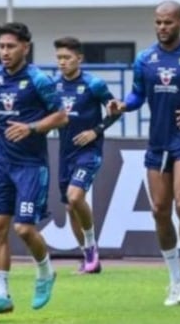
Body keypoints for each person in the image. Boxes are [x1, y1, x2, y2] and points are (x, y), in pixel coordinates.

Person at [107, 1, 180, 306]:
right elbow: (137, 95)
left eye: (168, 23)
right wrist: (123, 105)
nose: (162, 28)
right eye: (158, 23)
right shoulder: (145, 59)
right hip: (158, 142)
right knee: (160, 210)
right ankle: (174, 280)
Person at [0, 22, 68, 316]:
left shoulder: (39, 80)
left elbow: (61, 117)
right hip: (2, 161)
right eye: (1, 46)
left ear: (25, 47)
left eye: (10, 46)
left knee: (24, 228)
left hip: (30, 165)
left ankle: (45, 273)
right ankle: (1, 295)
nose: (4, 52)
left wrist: (32, 127)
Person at [52, 36, 120, 274]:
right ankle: (89, 257)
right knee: (71, 207)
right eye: (59, 58)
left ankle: (91, 248)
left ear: (79, 59)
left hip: (88, 152)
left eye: (67, 58)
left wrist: (96, 131)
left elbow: (115, 111)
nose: (62, 62)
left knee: (74, 196)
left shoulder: (94, 84)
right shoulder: (53, 85)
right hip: (65, 153)